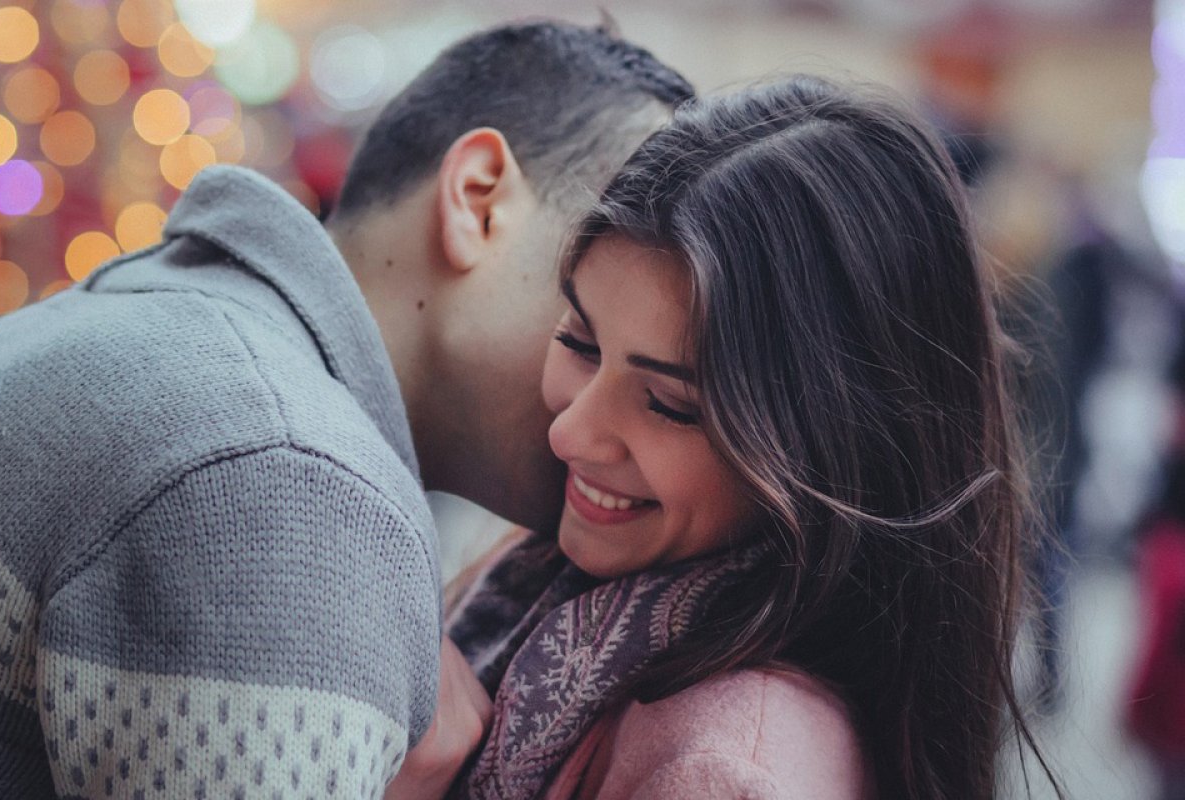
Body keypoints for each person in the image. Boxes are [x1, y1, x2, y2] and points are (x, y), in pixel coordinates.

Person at [0, 18, 695, 800]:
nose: (605, 410)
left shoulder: (154, 340)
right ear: (476, 198)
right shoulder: (278, 468)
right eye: (596, 297)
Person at [444, 75, 1059, 799]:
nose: (570, 433)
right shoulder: (553, 583)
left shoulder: (723, 769)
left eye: (670, 404)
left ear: (833, 446)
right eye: (580, 340)